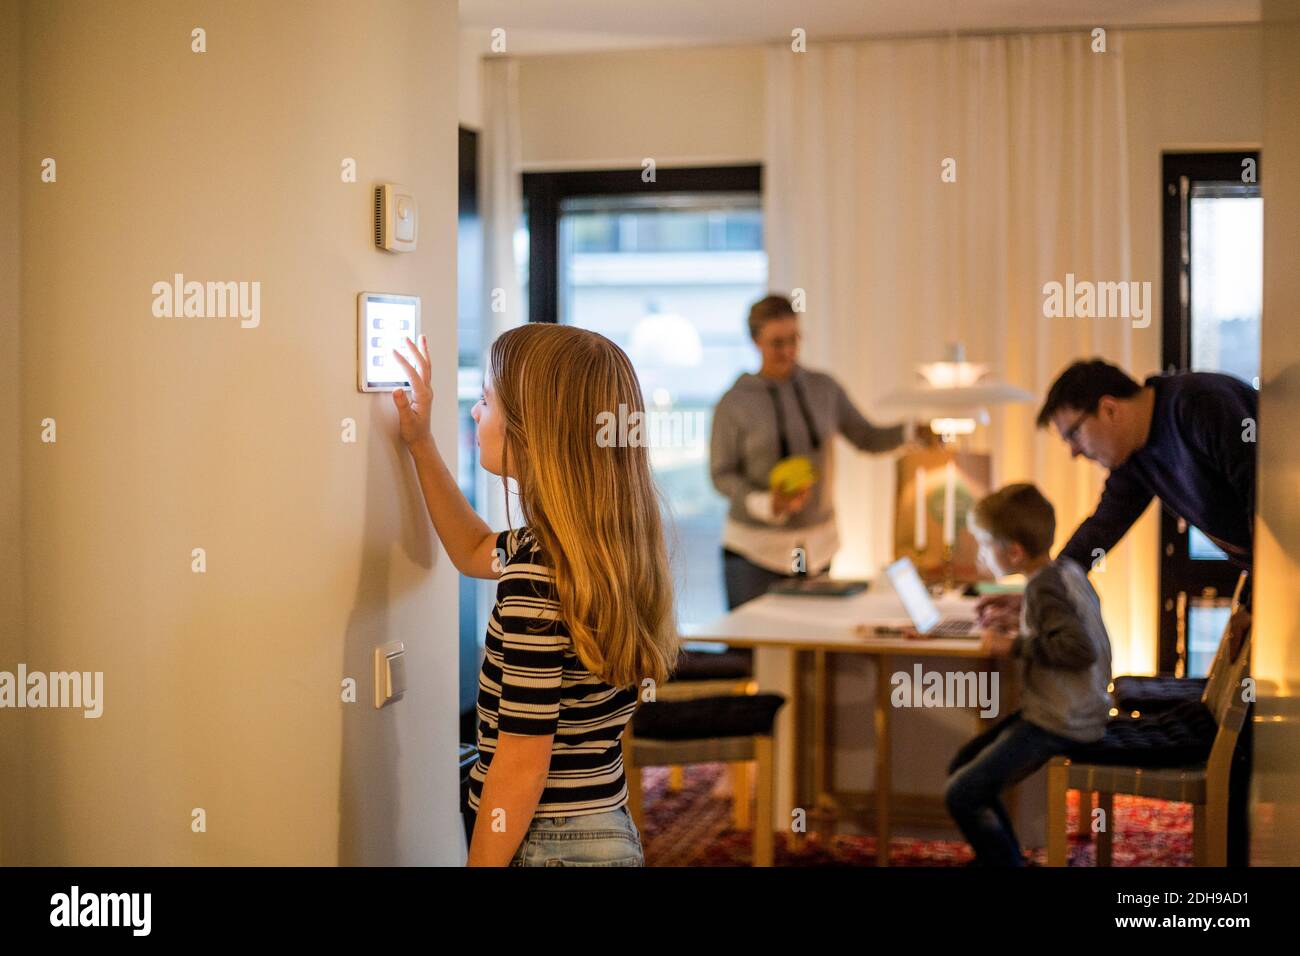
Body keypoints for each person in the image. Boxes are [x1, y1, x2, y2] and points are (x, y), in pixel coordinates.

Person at [391, 325, 679, 866]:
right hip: (603, 825)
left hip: (549, 843)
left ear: (534, 433)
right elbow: (475, 547)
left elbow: (523, 763)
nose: (475, 413)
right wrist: (421, 444)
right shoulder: (598, 547)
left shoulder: (536, 576)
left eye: (486, 400)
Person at [977, 359, 1258, 632]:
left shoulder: (1199, 404)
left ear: (1109, 409)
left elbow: (1266, 508)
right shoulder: (1135, 459)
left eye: (1074, 435)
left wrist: (1261, 598)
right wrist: (1040, 593)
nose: (1074, 453)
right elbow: (1098, 533)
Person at [710, 293, 916, 609]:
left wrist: (913, 430)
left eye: (794, 339)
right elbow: (721, 474)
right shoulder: (734, 402)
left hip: (815, 547)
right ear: (756, 342)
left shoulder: (824, 388)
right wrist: (765, 502)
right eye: (777, 342)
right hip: (755, 550)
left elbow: (867, 437)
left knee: (808, 645)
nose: (788, 350)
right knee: (754, 651)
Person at [945, 483, 1114, 866]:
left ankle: (1005, 863)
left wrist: (1013, 646)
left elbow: (1077, 649)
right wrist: (1019, 623)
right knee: (962, 768)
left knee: (963, 793)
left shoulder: (1042, 588)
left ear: (1014, 551)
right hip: (1073, 709)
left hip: (1061, 720)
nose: (984, 553)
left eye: (987, 544)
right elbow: (1061, 629)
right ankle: (1002, 858)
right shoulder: (1064, 571)